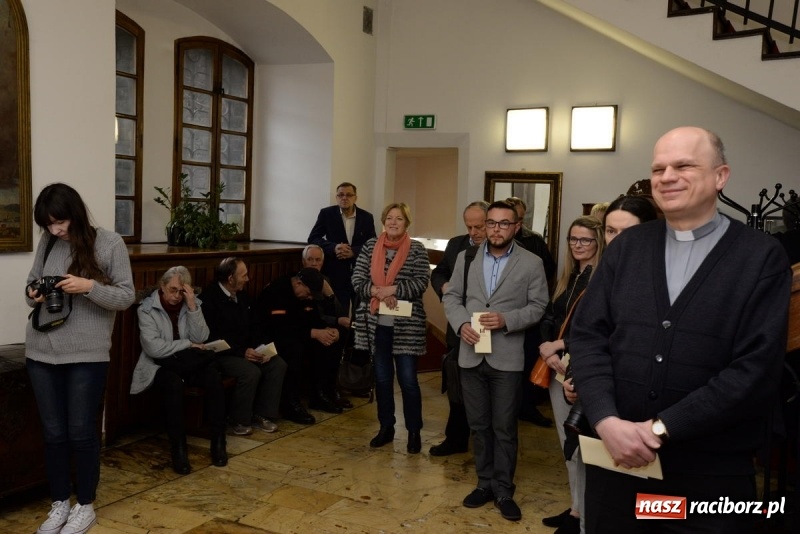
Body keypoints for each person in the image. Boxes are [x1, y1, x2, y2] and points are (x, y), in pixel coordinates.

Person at [570, 127, 792, 532]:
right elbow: (588, 337)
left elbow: (755, 369)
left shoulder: (760, 257)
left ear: (721, 176)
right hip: (616, 467)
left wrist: (659, 429)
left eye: (683, 165)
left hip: (706, 479)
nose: (666, 176)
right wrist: (605, 419)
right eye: (658, 168)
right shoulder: (627, 248)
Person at [25, 183, 135, 534]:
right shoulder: (49, 243)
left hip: (86, 354)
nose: (55, 230)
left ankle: (84, 505)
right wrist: (34, 293)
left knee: (81, 433)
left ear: (74, 212)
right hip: (42, 352)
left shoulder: (110, 243)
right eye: (48, 225)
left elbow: (126, 296)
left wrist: (88, 287)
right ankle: (60, 503)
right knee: (54, 433)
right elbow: (30, 289)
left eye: (59, 222)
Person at [443, 200, 549, 522]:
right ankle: (484, 483)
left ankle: (503, 489)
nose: (496, 229)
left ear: (516, 226)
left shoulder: (531, 262)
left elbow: (538, 305)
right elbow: (451, 297)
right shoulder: (467, 256)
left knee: (504, 427)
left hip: (507, 357)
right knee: (479, 425)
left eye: (504, 223)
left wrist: (507, 319)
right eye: (491, 223)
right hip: (470, 354)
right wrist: (461, 324)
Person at [538, 216, 605, 534]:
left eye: (586, 240)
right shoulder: (568, 277)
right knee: (568, 445)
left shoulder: (601, 278)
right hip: (556, 367)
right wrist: (547, 350)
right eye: (573, 240)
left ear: (599, 242)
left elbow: (599, 329)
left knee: (583, 447)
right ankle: (576, 508)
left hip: (584, 369)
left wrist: (560, 345)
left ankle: (584, 515)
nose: (579, 245)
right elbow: (550, 317)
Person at [130, 266, 228, 474]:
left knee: (213, 377)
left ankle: (219, 443)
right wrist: (186, 344)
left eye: (181, 291)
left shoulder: (190, 304)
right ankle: (179, 450)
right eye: (172, 290)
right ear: (162, 286)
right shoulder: (146, 309)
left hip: (188, 363)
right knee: (172, 383)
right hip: (158, 364)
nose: (176, 296)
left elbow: (201, 337)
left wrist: (192, 306)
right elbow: (154, 348)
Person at [351, 202, 430, 454]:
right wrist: (377, 291)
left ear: (407, 223)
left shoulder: (417, 249)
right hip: (376, 326)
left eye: (399, 218)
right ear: (383, 221)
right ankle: (387, 427)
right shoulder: (370, 246)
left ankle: (414, 431)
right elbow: (357, 280)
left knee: (408, 381)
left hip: (406, 327)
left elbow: (420, 282)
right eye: (389, 218)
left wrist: (393, 290)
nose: (393, 222)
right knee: (383, 380)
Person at [428, 201, 488, 456]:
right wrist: (442, 287)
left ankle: (486, 443)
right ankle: (456, 439)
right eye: (469, 226)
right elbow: (439, 272)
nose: (473, 232)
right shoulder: (456, 245)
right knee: (458, 386)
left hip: (489, 326)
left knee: (487, 387)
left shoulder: (501, 249)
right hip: (458, 325)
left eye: (479, 226)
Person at [201, 257, 288, 433]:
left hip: (246, 350)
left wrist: (262, 348)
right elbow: (212, 337)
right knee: (250, 371)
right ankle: (239, 420)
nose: (248, 279)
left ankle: (262, 415)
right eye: (244, 275)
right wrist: (243, 353)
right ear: (230, 278)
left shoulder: (243, 296)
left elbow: (255, 326)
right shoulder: (209, 299)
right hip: (222, 354)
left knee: (277, 364)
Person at [255, 267, 342, 420]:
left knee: (328, 343)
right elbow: (279, 327)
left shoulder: (306, 295)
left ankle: (320, 395)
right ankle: (290, 404)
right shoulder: (277, 292)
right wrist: (313, 333)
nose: (309, 297)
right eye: (308, 293)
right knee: (294, 349)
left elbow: (312, 316)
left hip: (297, 333)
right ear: (298, 283)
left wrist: (326, 330)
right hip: (271, 338)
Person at [505, 197, 556, 428]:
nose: (517, 223)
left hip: (528, 311)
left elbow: (548, 270)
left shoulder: (533, 241)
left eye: (520, 219)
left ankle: (526, 406)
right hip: (500, 315)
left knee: (526, 360)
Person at [308, 182, 376, 312]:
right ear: (336, 197)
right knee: (339, 312)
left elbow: (372, 244)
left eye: (349, 195)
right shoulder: (326, 214)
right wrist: (334, 247)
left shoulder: (366, 217)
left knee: (361, 311)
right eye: (341, 195)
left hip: (360, 272)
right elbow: (313, 238)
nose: (344, 198)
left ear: (355, 198)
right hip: (335, 272)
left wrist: (354, 252)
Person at [301, 244, 353, 408]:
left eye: (318, 260)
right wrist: (333, 323)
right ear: (304, 262)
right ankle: (319, 394)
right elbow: (311, 316)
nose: (314, 263)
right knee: (325, 340)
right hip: (308, 329)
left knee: (344, 333)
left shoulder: (325, 280)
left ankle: (333, 388)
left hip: (325, 325)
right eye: (310, 260)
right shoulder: (300, 283)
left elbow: (337, 311)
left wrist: (329, 293)